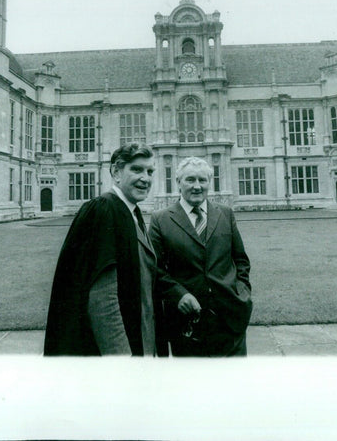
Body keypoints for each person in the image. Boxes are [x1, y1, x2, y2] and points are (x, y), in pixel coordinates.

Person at [43, 143, 165, 356]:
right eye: (136, 169)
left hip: (141, 337)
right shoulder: (104, 210)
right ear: (116, 172)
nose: (146, 178)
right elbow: (102, 299)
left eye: (150, 171)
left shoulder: (131, 212)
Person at [149, 156, 253, 357]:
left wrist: (242, 294)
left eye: (202, 180)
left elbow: (241, 260)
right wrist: (179, 294)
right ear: (178, 182)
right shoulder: (160, 219)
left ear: (209, 183)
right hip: (187, 323)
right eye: (190, 180)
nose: (197, 186)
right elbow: (155, 269)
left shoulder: (225, 213)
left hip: (230, 320)